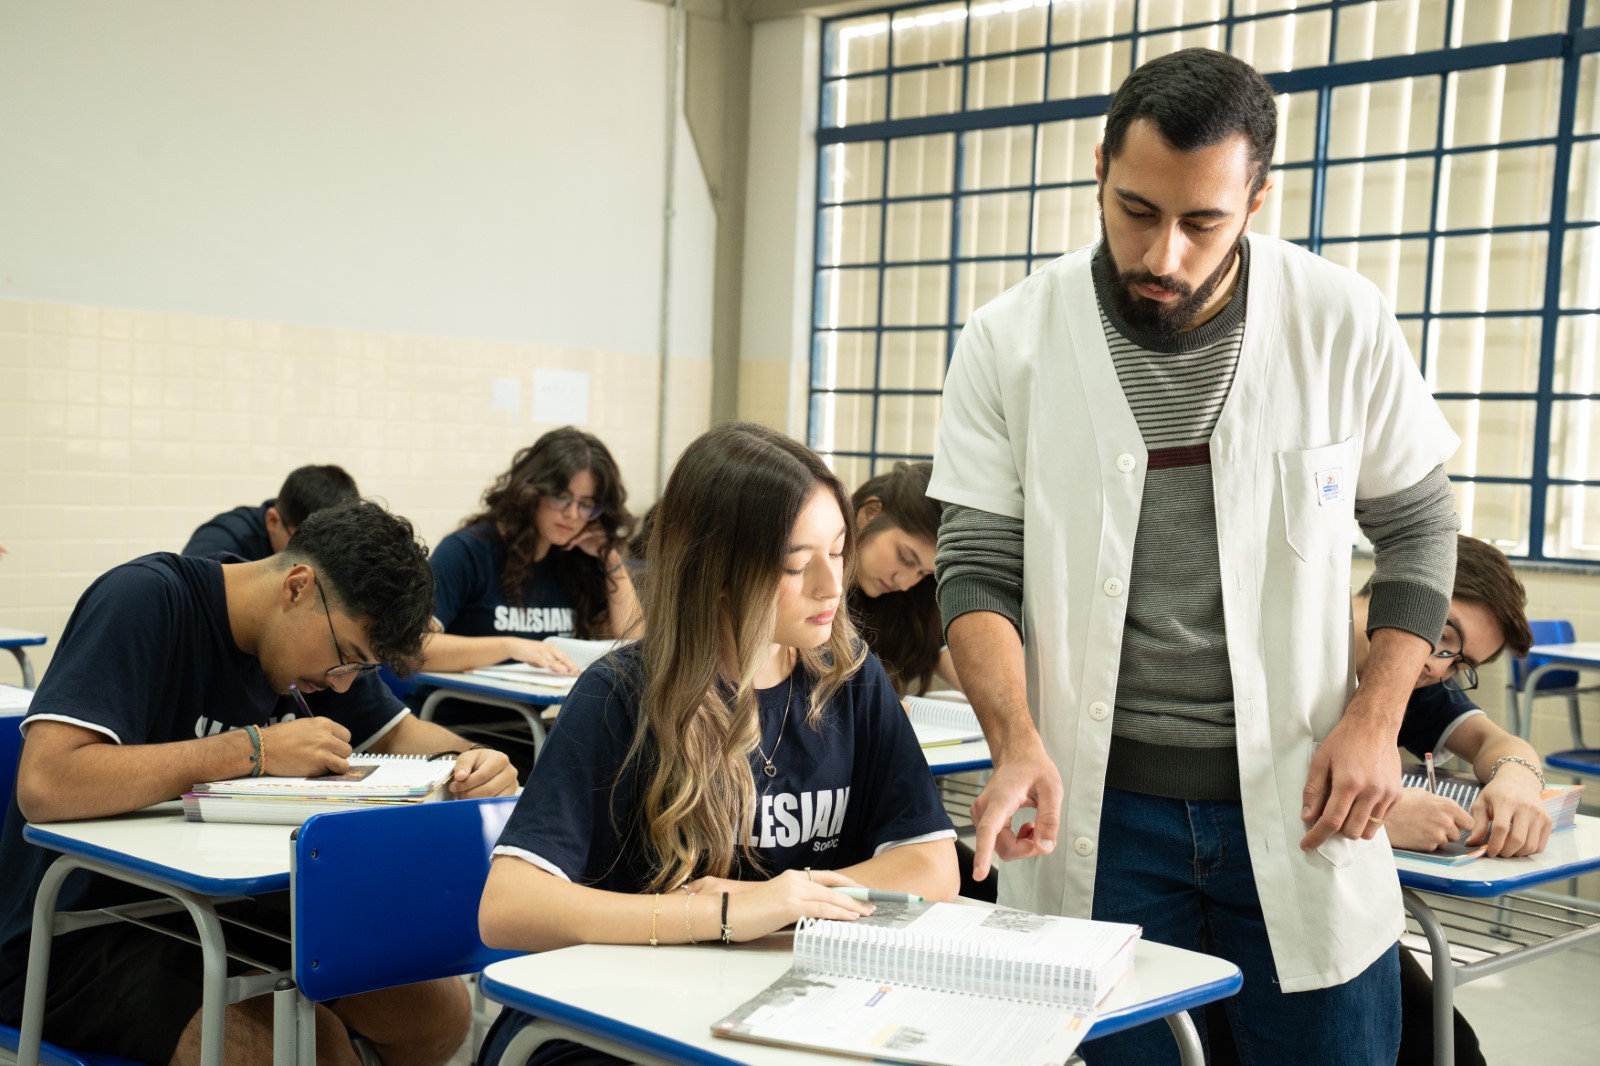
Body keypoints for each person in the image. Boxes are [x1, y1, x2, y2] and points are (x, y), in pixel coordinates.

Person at [929, 48, 1461, 1065]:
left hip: (1302, 803)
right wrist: (1013, 738)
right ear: (1097, 170)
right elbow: (979, 561)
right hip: (1098, 814)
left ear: (1256, 198)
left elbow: (1420, 525)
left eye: (1201, 222)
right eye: (1134, 209)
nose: (1161, 252)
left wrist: (1374, 715)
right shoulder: (1010, 339)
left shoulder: (1338, 320)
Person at [476, 422, 959, 1066]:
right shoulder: (621, 693)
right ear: (719, 573)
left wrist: (784, 898)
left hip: (779, 1011)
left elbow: (931, 868)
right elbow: (508, 908)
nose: (829, 585)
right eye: (794, 564)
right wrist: (720, 916)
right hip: (619, 1020)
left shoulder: (850, 675)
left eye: (839, 551)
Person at [0, 500, 518, 1066]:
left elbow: (403, 736)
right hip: (81, 929)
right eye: (346, 658)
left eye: (361, 670)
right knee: (310, 1050)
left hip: (226, 910)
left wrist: (477, 758)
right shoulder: (145, 600)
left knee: (436, 1016)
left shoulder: (322, 654)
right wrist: (252, 750)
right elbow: (46, 783)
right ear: (297, 586)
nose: (343, 686)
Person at [1210, 534, 1544, 1066]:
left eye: (1461, 663)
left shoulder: (1409, 681)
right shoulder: (1286, 641)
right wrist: (1377, 818)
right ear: (1405, 593)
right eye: (1444, 635)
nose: (1440, 666)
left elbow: (1494, 743)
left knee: (1450, 1046)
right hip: (1231, 898)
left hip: (1332, 906)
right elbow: (1212, 789)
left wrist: (1517, 778)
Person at [420, 427, 640, 677]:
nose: (572, 514)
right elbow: (414, 648)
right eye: (561, 497)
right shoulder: (466, 550)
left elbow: (635, 648)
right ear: (531, 491)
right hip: (455, 711)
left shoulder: (578, 561)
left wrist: (610, 558)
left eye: (586, 504)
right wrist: (510, 647)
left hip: (532, 714)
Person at [847, 462, 960, 696]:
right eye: (906, 558)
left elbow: (940, 651)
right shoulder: (798, 583)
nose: (905, 583)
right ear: (870, 514)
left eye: (923, 573)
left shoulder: (908, 601)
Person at [181, 463, 360, 561]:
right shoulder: (222, 540)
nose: (320, 561)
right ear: (273, 521)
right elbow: (191, 601)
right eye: (310, 547)